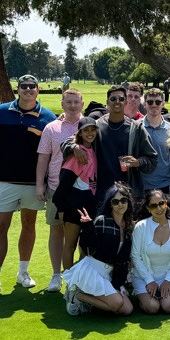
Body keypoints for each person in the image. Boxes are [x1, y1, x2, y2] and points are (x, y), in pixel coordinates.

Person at [0, 74, 57, 298]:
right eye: (23, 86)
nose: (27, 89)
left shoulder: (48, 118)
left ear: (38, 90)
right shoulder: (1, 112)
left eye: (31, 86)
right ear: (18, 90)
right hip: (4, 181)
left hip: (33, 183)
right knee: (0, 227)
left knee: (29, 224)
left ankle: (23, 272)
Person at [66, 86, 158, 211]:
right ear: (107, 102)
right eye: (113, 98)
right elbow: (66, 143)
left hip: (128, 194)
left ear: (126, 102)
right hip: (101, 193)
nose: (117, 101)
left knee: (127, 230)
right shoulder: (96, 126)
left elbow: (152, 160)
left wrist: (137, 162)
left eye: (121, 98)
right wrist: (75, 147)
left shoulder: (136, 128)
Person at [35, 87, 84, 293]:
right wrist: (40, 184)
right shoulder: (51, 128)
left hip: (83, 189)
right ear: (62, 104)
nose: (72, 106)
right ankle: (57, 275)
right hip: (56, 188)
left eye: (76, 102)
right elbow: (43, 158)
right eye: (69, 102)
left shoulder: (90, 126)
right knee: (57, 231)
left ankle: (79, 275)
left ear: (82, 104)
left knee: (83, 233)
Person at [63, 184, 135, 316]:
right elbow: (88, 248)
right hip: (93, 270)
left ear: (128, 202)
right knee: (116, 304)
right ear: (110, 204)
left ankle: (88, 299)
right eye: (115, 201)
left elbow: (123, 258)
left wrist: (118, 283)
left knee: (127, 310)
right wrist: (87, 228)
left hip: (111, 273)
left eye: (123, 200)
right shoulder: (101, 221)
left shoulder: (129, 226)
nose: (120, 204)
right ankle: (77, 295)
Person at [51, 119, 102, 289]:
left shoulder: (94, 150)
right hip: (73, 206)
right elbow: (63, 184)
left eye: (93, 130)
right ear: (79, 133)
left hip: (90, 205)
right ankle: (69, 282)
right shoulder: (76, 154)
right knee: (70, 245)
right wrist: (61, 208)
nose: (90, 133)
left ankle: (80, 280)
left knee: (85, 246)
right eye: (86, 130)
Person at [130, 189, 170, 314]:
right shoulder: (140, 227)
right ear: (148, 208)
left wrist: (168, 279)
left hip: (169, 276)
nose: (159, 208)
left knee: (168, 307)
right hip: (143, 277)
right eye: (153, 205)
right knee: (152, 307)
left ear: (166, 204)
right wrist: (149, 280)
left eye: (161, 203)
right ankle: (143, 298)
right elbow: (135, 256)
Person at [140, 87, 170, 207]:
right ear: (144, 104)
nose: (154, 105)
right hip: (142, 185)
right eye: (150, 102)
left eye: (158, 102)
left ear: (163, 104)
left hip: (164, 185)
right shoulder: (136, 127)